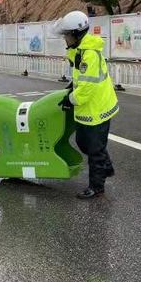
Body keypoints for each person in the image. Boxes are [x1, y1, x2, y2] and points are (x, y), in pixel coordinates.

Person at [54, 11, 119, 199]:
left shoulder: (89, 55)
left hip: (97, 108)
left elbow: (86, 89)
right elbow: (80, 81)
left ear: (76, 34)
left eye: (66, 35)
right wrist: (70, 89)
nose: (65, 39)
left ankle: (97, 186)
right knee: (83, 142)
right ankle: (106, 167)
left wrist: (70, 99)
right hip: (87, 108)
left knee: (95, 149)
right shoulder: (79, 52)